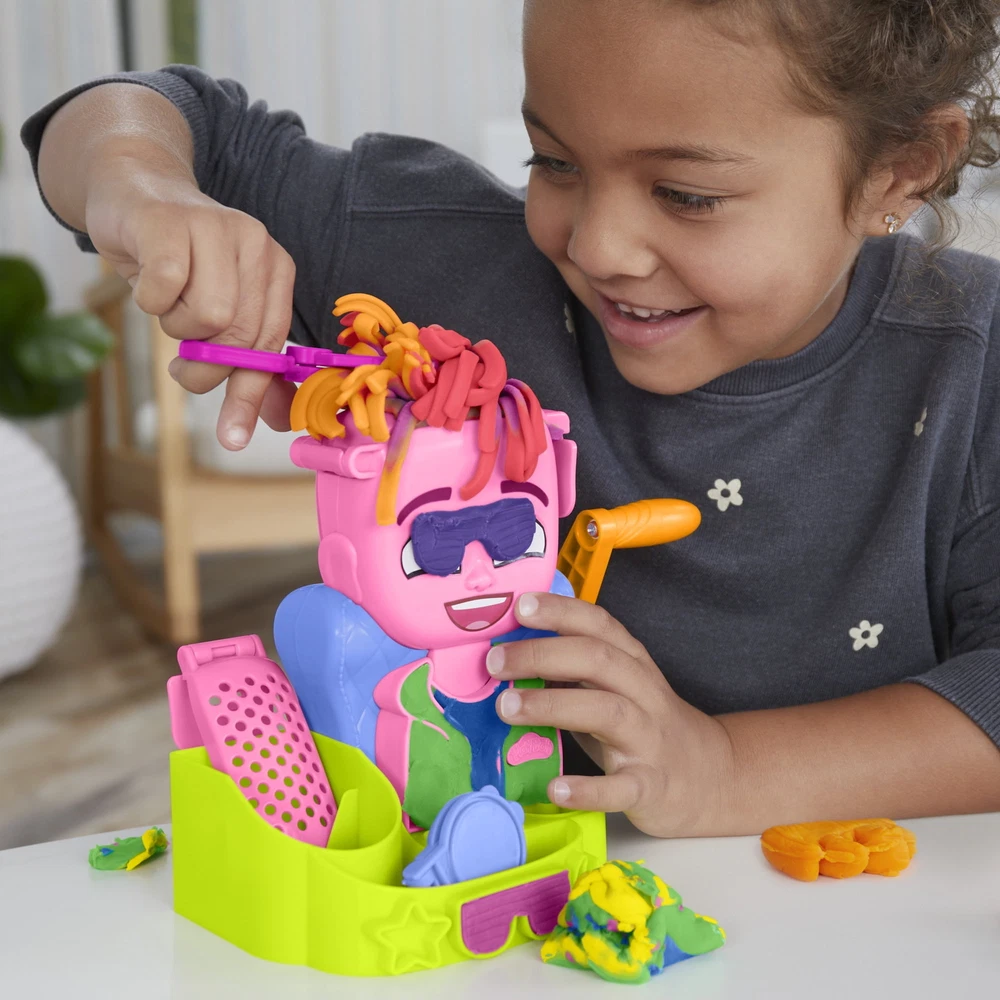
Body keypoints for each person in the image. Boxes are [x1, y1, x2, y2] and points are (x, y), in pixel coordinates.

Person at [22, 0, 1000, 838]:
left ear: (897, 171)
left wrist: (725, 770)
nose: (600, 244)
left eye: (687, 195)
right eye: (554, 160)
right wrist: (146, 187)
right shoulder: (442, 263)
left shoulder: (971, 361)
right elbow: (155, 118)